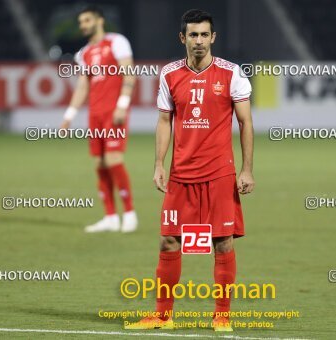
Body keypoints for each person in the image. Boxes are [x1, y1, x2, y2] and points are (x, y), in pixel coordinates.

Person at [126, 9, 254, 332]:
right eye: (193, 35)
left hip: (219, 175)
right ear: (183, 38)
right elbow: (164, 121)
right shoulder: (170, 74)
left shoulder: (232, 74)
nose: (199, 41)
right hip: (181, 176)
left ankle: (222, 315)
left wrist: (247, 169)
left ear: (214, 37)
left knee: (222, 242)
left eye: (204, 34)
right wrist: (158, 164)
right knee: (169, 241)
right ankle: (163, 315)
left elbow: (245, 122)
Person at [60, 5, 137, 233]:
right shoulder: (83, 53)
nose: (83, 25)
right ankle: (110, 217)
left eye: (87, 20)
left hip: (114, 112)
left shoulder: (117, 42)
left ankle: (130, 214)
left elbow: (128, 73)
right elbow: (83, 86)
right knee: (100, 164)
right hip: (95, 114)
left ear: (99, 20)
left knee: (114, 159)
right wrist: (69, 116)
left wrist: (122, 105)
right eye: (81, 22)